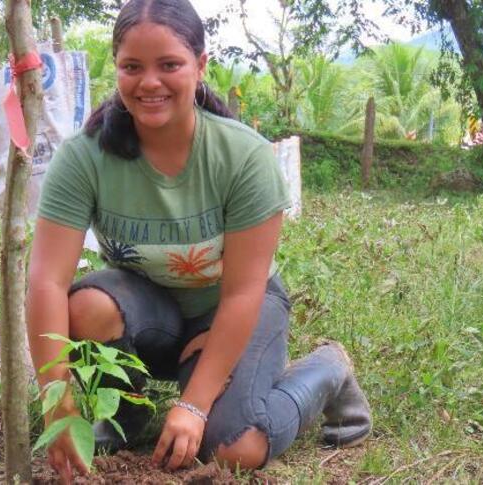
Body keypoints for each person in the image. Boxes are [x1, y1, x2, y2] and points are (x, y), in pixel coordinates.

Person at [25, 0, 372, 481]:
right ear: (117, 69)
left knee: (237, 448)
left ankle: (328, 370)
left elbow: (244, 292)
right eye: (132, 67)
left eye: (169, 65)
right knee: (85, 305)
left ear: (200, 66)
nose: (149, 82)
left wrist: (194, 403)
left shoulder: (242, 157)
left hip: (232, 310)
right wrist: (57, 404)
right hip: (152, 311)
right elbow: (45, 280)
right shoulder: (85, 157)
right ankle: (125, 417)